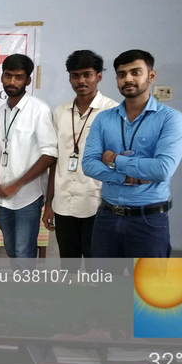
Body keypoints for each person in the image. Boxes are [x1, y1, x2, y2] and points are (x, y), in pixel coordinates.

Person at [82, 49, 182, 259]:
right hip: (107, 216)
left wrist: (113, 159)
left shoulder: (170, 119)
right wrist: (128, 177)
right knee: (104, 279)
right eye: (122, 74)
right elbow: (89, 164)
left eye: (136, 72)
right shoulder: (104, 119)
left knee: (146, 280)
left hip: (148, 219)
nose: (128, 79)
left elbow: (162, 169)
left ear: (151, 76)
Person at [43, 51, 118, 274]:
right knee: (69, 265)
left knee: (98, 265)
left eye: (87, 75)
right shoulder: (60, 112)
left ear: (99, 76)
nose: (81, 81)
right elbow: (54, 161)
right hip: (64, 202)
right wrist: (49, 204)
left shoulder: (112, 111)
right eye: (75, 76)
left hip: (97, 203)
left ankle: (96, 296)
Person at [0, 55, 57, 272]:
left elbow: (50, 154)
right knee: (11, 248)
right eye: (8, 76)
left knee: (23, 251)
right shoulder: (0, 111)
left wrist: (17, 184)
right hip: (3, 198)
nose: (12, 82)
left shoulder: (39, 110)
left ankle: (25, 289)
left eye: (18, 77)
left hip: (28, 197)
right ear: (2, 77)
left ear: (28, 80)